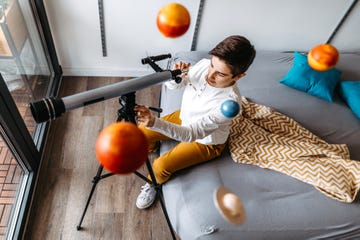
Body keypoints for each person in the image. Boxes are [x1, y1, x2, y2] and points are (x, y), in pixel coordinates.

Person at [134, 35, 256, 209]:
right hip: (184, 115)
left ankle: (152, 184)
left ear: (239, 76)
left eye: (220, 74)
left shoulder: (229, 105)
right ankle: (150, 148)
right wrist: (176, 77)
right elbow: (177, 85)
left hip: (206, 141)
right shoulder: (204, 65)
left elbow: (191, 134)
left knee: (160, 166)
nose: (210, 75)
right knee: (142, 132)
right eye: (212, 65)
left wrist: (154, 122)